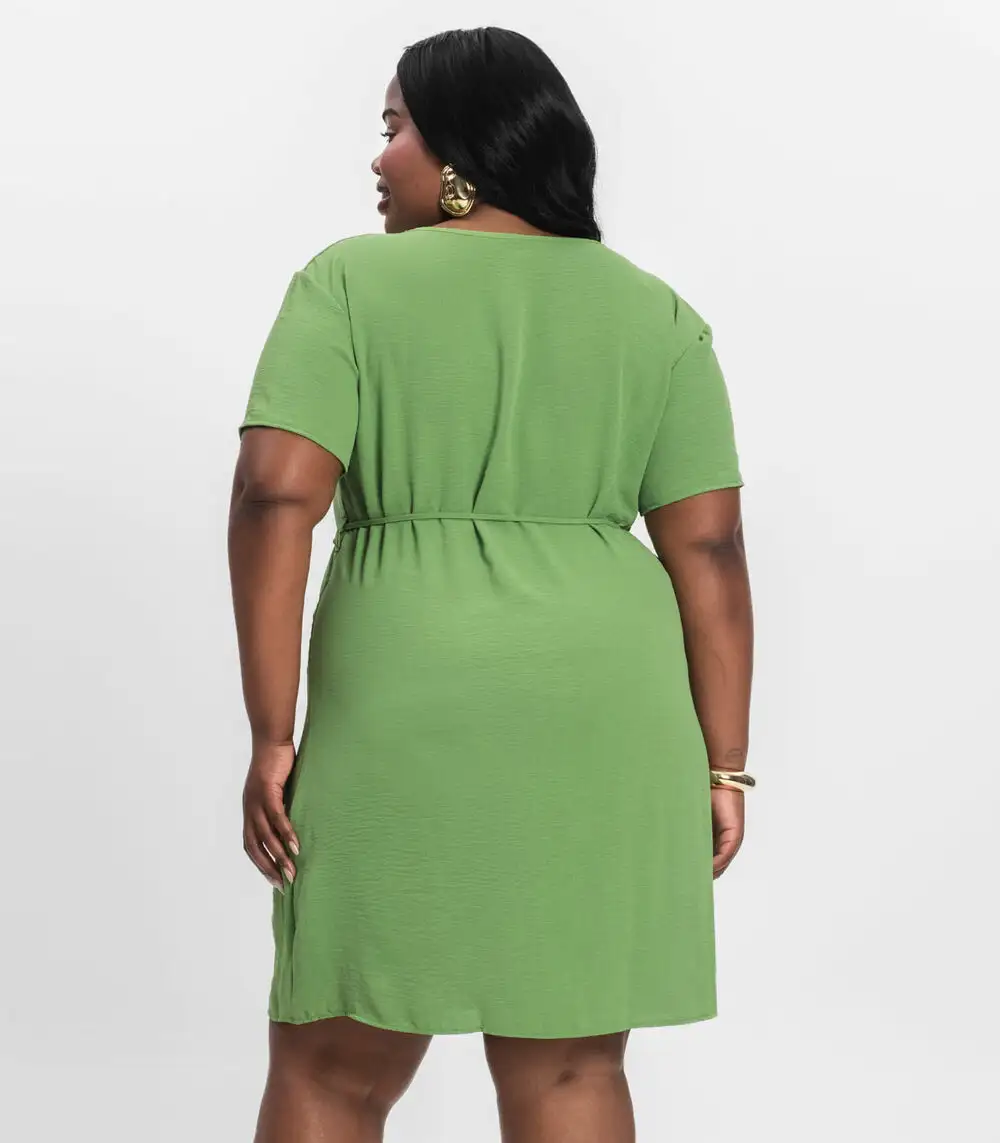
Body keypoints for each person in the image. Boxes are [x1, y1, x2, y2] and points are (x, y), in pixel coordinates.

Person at [229, 25, 755, 1143]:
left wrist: (273, 735)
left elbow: (276, 495)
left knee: (332, 1066)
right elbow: (708, 550)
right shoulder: (655, 313)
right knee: (569, 1068)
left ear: (461, 151)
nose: (379, 158)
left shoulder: (349, 283)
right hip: (606, 710)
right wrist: (724, 763)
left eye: (395, 128)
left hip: (408, 692)